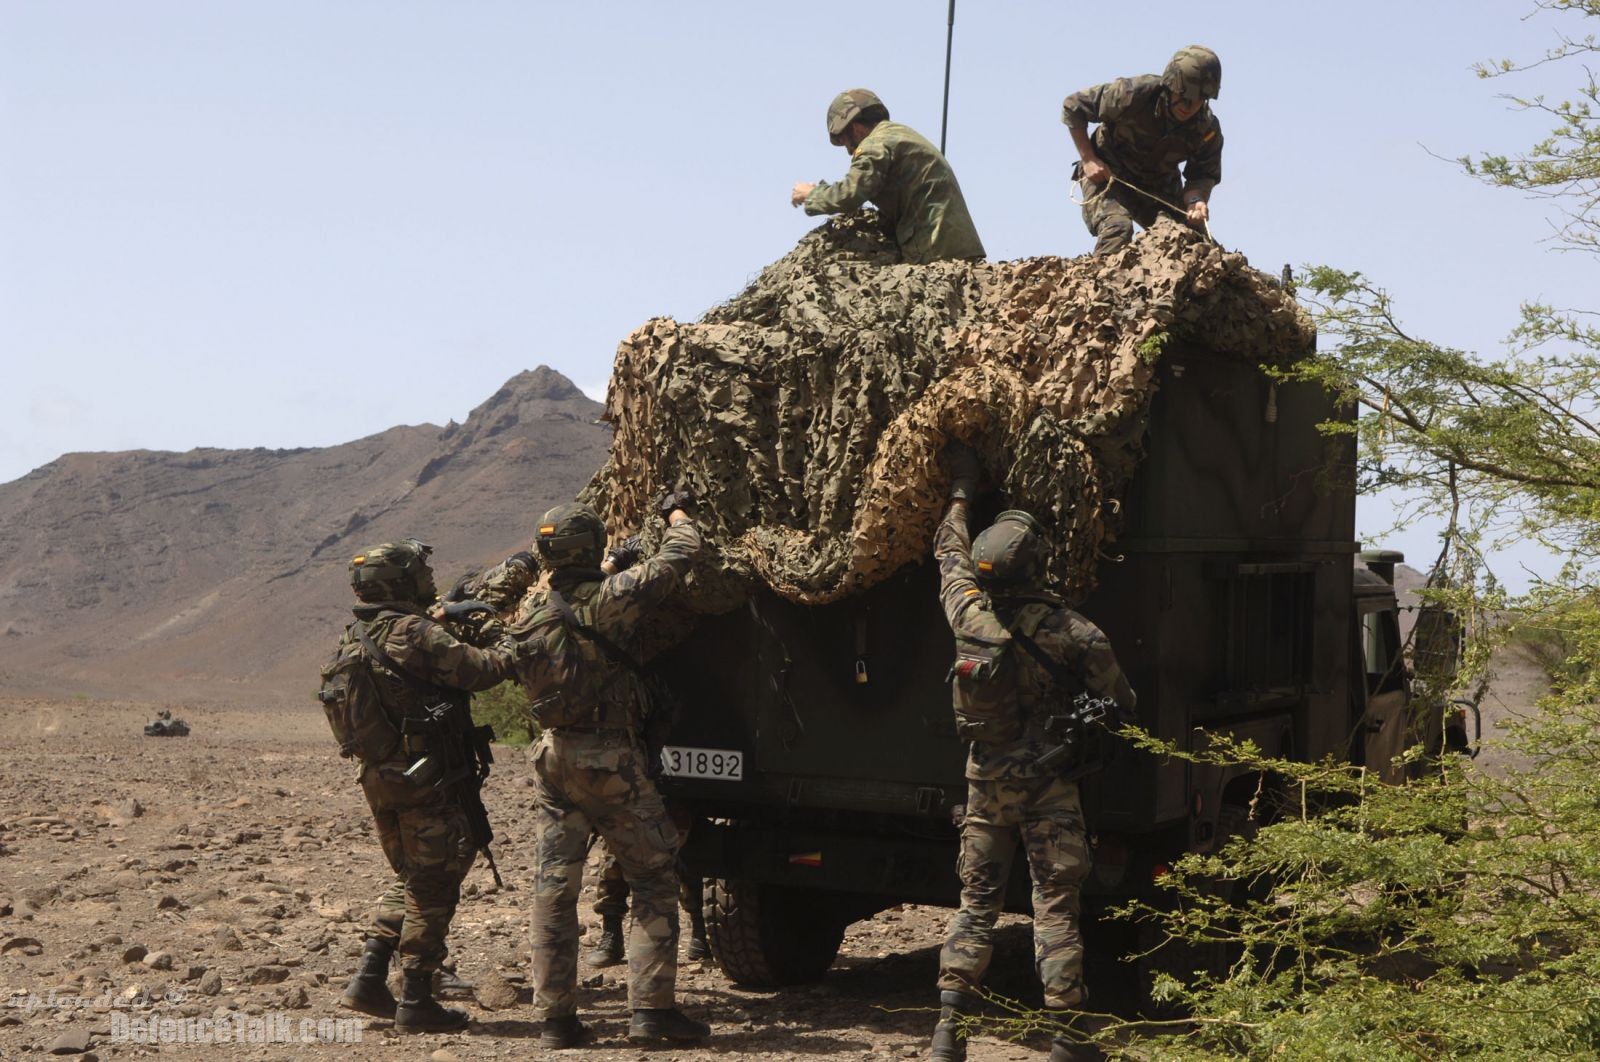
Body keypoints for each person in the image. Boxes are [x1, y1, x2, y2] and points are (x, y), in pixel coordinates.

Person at [929, 446, 1136, 1062]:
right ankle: (1068, 1038)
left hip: (984, 784)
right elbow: (1123, 703)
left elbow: (947, 551)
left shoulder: (968, 613)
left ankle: (948, 1033)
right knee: (1054, 907)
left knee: (975, 907)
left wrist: (964, 489)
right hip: (1050, 789)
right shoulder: (1076, 633)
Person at [513, 497, 711, 1048]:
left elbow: (569, 607)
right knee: (652, 877)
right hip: (609, 760)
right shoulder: (612, 599)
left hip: (553, 759)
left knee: (554, 889)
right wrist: (675, 514)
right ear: (593, 547)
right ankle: (651, 1014)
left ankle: (556, 1021)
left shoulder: (532, 612)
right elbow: (680, 555)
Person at [333, 538, 523, 1033]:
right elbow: (489, 670)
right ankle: (417, 999)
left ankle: (369, 978)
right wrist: (494, 631)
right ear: (402, 581)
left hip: (382, 777)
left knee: (415, 877)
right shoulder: (415, 632)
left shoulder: (356, 634)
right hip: (427, 778)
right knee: (433, 885)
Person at [790, 88, 985, 264]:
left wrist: (812, 194)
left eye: (845, 142)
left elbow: (850, 194)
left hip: (933, 250)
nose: (850, 151)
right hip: (958, 244)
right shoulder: (898, 134)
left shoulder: (874, 144)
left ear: (855, 129)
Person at [1061, 45, 1223, 256]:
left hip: (1158, 185)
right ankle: (1101, 285)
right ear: (1170, 86)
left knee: (1195, 243)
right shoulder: (1133, 94)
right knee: (1118, 229)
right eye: (1182, 97)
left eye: (1197, 101)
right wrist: (1089, 159)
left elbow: (1202, 174)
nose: (1188, 106)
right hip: (1108, 175)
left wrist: (1196, 200)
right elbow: (1073, 107)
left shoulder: (1206, 127)